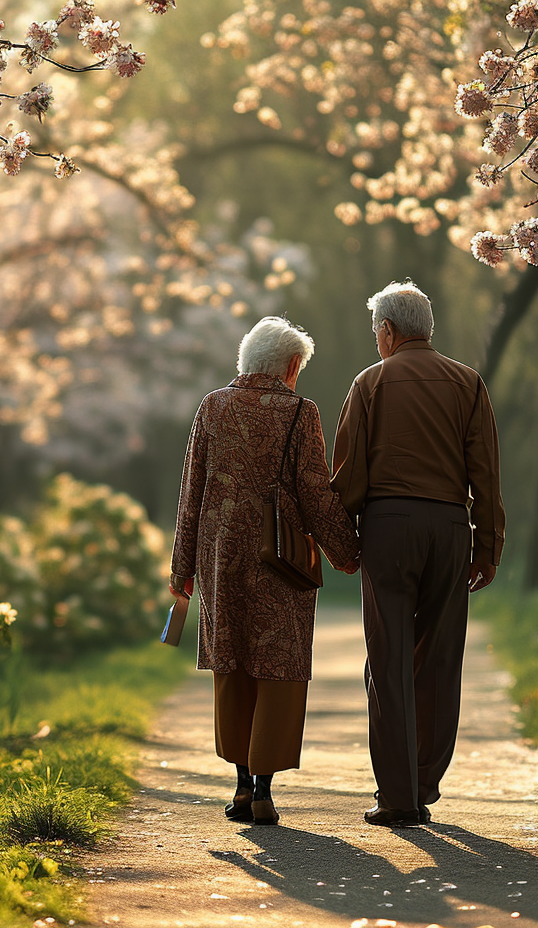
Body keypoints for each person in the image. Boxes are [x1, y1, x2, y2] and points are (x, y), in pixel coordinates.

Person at [169, 316, 359, 826]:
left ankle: (239, 785)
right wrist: (347, 550)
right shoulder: (300, 412)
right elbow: (316, 490)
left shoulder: (212, 405)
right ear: (292, 365)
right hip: (281, 558)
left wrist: (182, 566)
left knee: (232, 662)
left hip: (220, 554)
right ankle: (265, 792)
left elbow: (192, 492)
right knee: (279, 665)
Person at [330, 280, 505, 828]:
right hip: (450, 528)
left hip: (390, 528)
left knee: (388, 661)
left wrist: (342, 541)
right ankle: (425, 780)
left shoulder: (370, 382)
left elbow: (350, 475)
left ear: (387, 331)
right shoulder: (469, 383)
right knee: (438, 659)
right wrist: (488, 545)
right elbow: (487, 475)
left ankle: (399, 797)